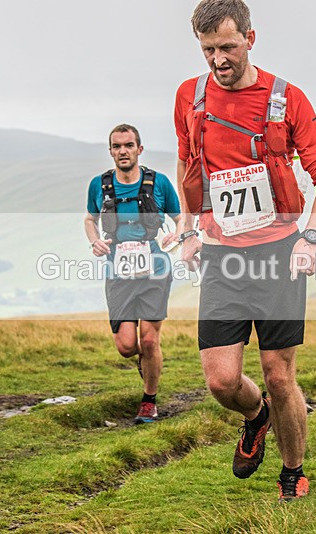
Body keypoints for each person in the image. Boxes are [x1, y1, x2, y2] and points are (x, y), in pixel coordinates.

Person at [174, 0, 316, 501]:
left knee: (279, 375)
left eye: (227, 47)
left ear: (250, 38)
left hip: (279, 255)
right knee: (221, 381)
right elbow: (188, 166)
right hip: (221, 257)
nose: (218, 60)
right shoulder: (189, 97)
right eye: (208, 50)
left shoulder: (286, 99)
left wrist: (310, 239)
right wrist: (187, 230)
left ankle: (293, 473)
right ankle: (256, 415)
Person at [85, 124, 180, 424]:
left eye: (128, 145)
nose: (123, 151)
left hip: (155, 269)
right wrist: (95, 241)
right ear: (110, 151)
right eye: (117, 146)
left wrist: (176, 235)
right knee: (127, 346)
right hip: (118, 272)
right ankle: (147, 362)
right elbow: (90, 219)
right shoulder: (99, 186)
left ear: (139, 149)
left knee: (149, 341)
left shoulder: (159, 183)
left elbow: (181, 218)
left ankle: (149, 401)